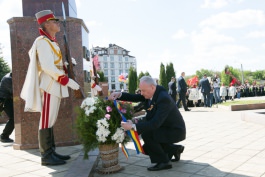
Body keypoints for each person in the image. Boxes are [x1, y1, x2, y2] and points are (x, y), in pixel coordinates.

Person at [20, 10, 80, 166]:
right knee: (46, 119)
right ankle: (46, 156)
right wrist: (67, 81)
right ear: (46, 24)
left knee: (51, 119)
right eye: (54, 21)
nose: (57, 23)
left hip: (55, 84)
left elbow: (55, 63)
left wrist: (66, 65)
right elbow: (47, 67)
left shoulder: (52, 41)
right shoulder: (42, 41)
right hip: (49, 84)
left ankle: (51, 151)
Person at [108, 76, 186, 171]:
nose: (141, 93)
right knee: (147, 147)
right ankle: (174, 149)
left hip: (175, 131)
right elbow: (135, 97)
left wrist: (132, 126)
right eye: (141, 90)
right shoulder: (152, 93)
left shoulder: (163, 98)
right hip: (164, 127)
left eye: (143, 91)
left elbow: (155, 124)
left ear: (152, 87)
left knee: (147, 135)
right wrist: (119, 94)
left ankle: (164, 162)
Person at [0, 72, 14, 143]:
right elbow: (14, 91)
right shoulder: (8, 79)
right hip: (5, 100)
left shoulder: (9, 77)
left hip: (6, 100)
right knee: (14, 118)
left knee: (14, 118)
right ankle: (4, 136)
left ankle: (4, 136)